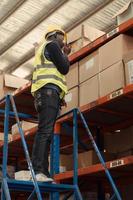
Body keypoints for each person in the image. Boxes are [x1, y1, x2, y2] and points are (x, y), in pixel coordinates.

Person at [31, 25, 71, 182]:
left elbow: (55, 74)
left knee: (46, 133)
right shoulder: (52, 45)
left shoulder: (45, 50)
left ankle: (43, 172)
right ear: (54, 35)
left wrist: (59, 97)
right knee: (45, 132)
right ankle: (38, 170)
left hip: (48, 95)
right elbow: (64, 68)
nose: (64, 42)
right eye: (62, 38)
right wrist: (66, 54)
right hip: (47, 94)